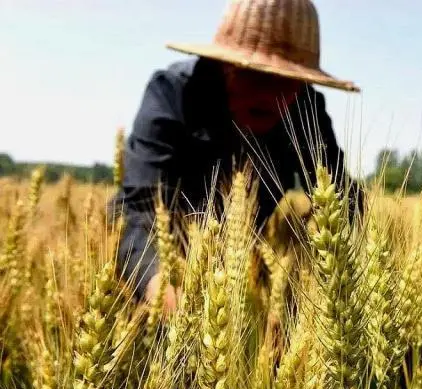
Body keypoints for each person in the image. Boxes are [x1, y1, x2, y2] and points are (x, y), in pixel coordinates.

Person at [111, 0, 364, 315]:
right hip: (165, 270)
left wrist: (319, 278)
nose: (266, 93)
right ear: (223, 64)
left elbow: (341, 196)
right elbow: (137, 212)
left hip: (243, 274)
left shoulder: (306, 109)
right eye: (252, 74)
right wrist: (165, 293)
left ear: (303, 81)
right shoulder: (173, 93)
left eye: (285, 79)